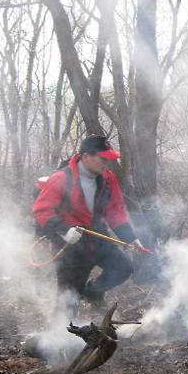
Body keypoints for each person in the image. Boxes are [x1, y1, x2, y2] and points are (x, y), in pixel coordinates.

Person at [33, 135, 144, 319]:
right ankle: (61, 341)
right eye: (103, 158)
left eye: (109, 159)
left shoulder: (108, 178)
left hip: (98, 238)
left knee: (123, 268)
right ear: (85, 156)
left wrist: (130, 237)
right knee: (68, 300)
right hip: (70, 246)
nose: (107, 163)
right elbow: (41, 210)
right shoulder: (61, 178)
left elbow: (115, 211)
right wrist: (64, 229)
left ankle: (93, 292)